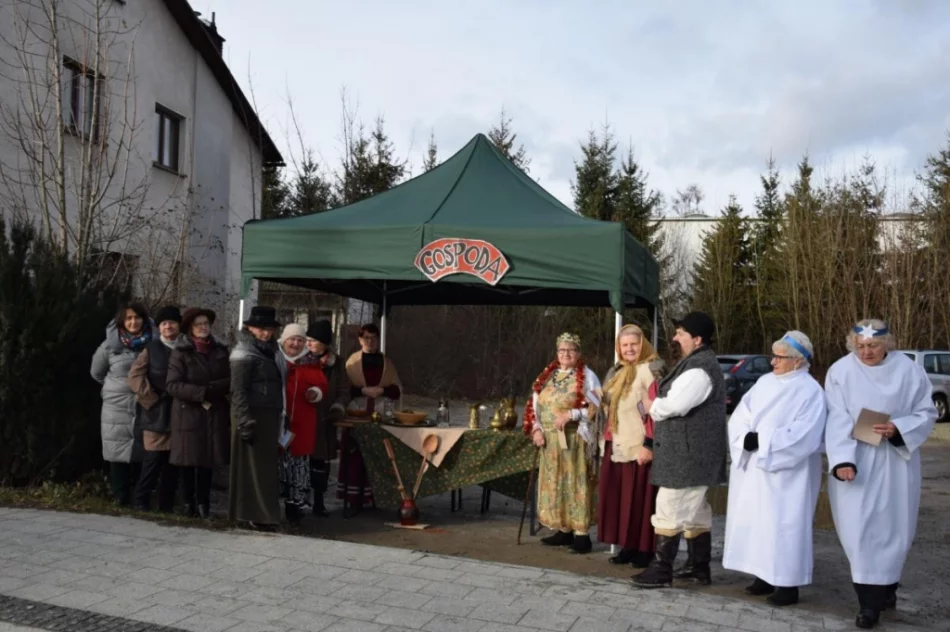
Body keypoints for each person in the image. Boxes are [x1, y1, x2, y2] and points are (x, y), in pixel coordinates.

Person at [825, 319, 937, 629]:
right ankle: (868, 605)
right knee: (860, 530)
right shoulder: (841, 371)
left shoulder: (909, 370)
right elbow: (836, 418)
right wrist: (842, 459)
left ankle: (887, 590)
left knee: (894, 528)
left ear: (887, 343)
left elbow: (926, 411)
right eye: (860, 346)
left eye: (873, 346)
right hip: (857, 459)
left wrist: (899, 428)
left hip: (895, 461)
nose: (866, 352)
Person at [722, 331, 827, 607]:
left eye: (779, 357)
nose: (773, 362)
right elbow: (742, 413)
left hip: (788, 473)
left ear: (797, 361)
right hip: (756, 468)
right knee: (759, 522)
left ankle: (787, 583)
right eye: (773, 356)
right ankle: (763, 575)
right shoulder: (765, 382)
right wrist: (745, 436)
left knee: (785, 525)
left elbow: (806, 434)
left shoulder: (810, 391)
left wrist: (764, 440)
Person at [633, 311, 727, 589]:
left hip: (689, 455)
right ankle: (698, 568)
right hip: (691, 453)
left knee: (670, 505)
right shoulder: (695, 363)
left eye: (680, 333)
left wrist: (652, 407)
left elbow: (674, 405)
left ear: (697, 339)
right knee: (695, 511)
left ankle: (661, 570)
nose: (675, 337)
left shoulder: (699, 369)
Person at [525, 332, 602, 554]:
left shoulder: (588, 376)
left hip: (575, 439)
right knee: (554, 483)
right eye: (562, 350)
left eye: (571, 350)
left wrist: (573, 414)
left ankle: (581, 535)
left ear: (578, 353)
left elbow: (597, 407)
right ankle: (563, 529)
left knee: (575, 483)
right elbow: (534, 404)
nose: (566, 354)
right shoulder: (547, 375)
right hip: (550, 441)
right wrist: (537, 429)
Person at [597, 324, 663, 569]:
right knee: (622, 499)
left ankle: (645, 549)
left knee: (640, 500)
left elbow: (656, 411)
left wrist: (649, 443)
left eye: (633, 344)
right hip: (616, 442)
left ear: (642, 344)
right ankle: (628, 545)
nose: (629, 349)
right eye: (624, 345)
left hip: (637, 445)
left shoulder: (650, 370)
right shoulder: (618, 372)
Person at [166, 308, 231, 519]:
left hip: (212, 412)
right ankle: (188, 503)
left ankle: (204, 504)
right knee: (188, 460)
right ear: (190, 329)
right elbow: (173, 385)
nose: (203, 327)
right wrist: (201, 392)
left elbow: (231, 379)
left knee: (207, 460)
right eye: (198, 324)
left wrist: (214, 390)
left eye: (206, 323)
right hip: (188, 413)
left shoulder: (220, 350)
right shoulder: (181, 351)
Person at [91, 302, 153, 506]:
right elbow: (97, 373)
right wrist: (115, 389)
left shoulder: (154, 342)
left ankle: (139, 498)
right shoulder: (110, 345)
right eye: (129, 318)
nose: (133, 322)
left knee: (141, 451)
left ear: (144, 319)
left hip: (144, 405)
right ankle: (120, 498)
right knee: (117, 453)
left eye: (137, 317)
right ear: (122, 321)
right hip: (116, 407)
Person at [229, 306, 283, 527]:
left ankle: (264, 514)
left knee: (265, 469)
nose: (266, 333)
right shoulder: (243, 354)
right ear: (249, 327)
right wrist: (244, 419)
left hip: (269, 416)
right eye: (261, 328)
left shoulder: (271, 351)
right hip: (251, 415)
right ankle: (252, 515)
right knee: (250, 468)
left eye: (269, 329)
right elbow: (238, 390)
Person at [127, 305, 186, 512]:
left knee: (173, 466)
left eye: (171, 322)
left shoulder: (187, 348)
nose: (168, 326)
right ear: (159, 327)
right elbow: (134, 377)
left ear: (179, 325)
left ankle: (166, 506)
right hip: (156, 415)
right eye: (163, 323)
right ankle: (140, 502)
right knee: (151, 463)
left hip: (180, 414)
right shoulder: (151, 349)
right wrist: (150, 399)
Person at [341, 323, 401, 507]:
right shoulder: (352, 363)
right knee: (355, 454)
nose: (370, 341)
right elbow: (343, 389)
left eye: (374, 337)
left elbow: (397, 390)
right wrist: (363, 390)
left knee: (378, 455)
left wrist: (383, 389)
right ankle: (353, 498)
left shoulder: (387, 364)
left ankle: (375, 496)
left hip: (380, 414)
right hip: (356, 414)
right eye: (366, 337)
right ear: (360, 340)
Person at [276, 323, 328, 524]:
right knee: (278, 462)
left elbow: (321, 384)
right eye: (292, 339)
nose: (296, 343)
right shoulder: (275, 359)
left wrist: (316, 393)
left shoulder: (310, 362)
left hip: (301, 422)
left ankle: (295, 506)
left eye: (300, 340)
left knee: (298, 464)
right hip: (278, 421)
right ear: (284, 340)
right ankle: (275, 502)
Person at [305, 320, 351, 517]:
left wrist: (338, 407)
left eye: (313, 340)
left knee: (321, 463)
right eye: (307, 340)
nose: (308, 344)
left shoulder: (337, 363)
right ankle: (298, 500)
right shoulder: (301, 360)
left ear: (324, 343)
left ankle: (319, 501)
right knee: (301, 461)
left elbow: (344, 389)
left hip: (325, 420)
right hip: (303, 418)